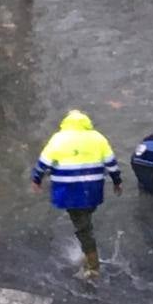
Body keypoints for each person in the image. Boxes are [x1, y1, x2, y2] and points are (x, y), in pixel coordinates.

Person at [32, 110, 122, 279]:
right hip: (93, 191)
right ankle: (88, 253)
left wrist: (36, 179)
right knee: (85, 221)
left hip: (70, 192)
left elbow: (43, 162)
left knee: (83, 228)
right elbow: (111, 163)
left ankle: (93, 266)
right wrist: (117, 181)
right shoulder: (98, 138)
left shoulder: (58, 139)